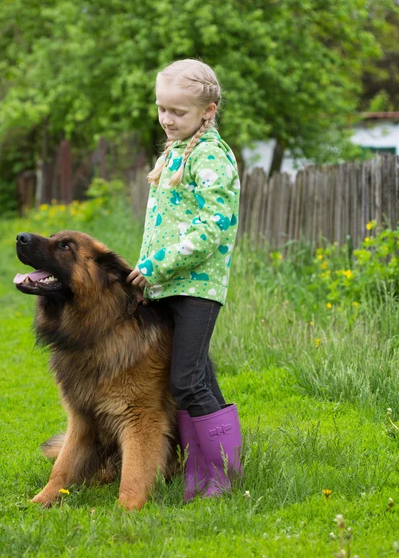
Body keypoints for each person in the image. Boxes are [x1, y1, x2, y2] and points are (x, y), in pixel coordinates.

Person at [126, 58, 242, 500]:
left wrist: (156, 265)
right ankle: (204, 471)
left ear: (208, 110)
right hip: (166, 285)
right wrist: (147, 275)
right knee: (198, 376)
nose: (167, 119)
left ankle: (221, 479)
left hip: (196, 288)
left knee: (186, 382)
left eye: (178, 112)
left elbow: (214, 225)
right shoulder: (175, 151)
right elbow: (160, 224)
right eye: (162, 109)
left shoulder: (212, 155)